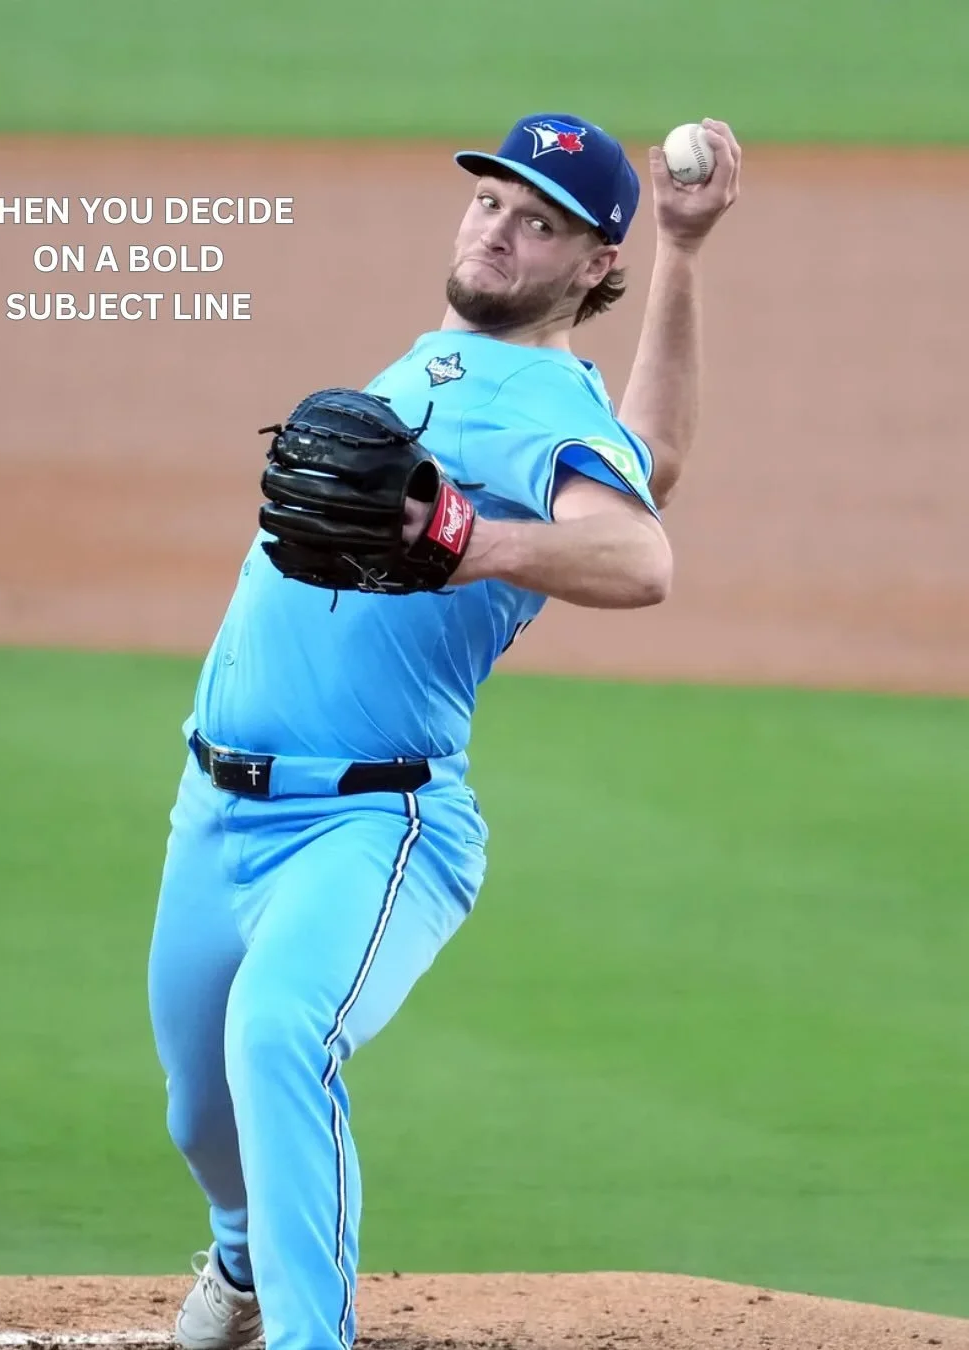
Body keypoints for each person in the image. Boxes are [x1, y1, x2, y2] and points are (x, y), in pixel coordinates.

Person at [147, 111, 742, 1350]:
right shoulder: (444, 365)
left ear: (590, 267)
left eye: (542, 224)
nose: (501, 231)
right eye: (492, 202)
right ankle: (247, 1265)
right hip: (214, 812)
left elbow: (641, 554)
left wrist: (469, 542)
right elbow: (660, 459)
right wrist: (683, 254)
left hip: (372, 818)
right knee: (202, 1114)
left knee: (279, 1034)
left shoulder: (543, 398)